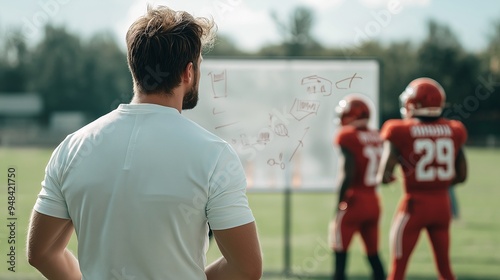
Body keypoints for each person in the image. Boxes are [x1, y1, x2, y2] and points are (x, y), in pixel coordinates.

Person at [26, 5, 262, 280]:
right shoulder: (215, 155)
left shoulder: (72, 147)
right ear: (188, 72)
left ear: (135, 67)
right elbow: (246, 268)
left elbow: (41, 252)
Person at [377, 77, 468, 280]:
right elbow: (462, 175)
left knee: (398, 270)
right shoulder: (454, 129)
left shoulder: (399, 129)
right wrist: (437, 183)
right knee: (445, 269)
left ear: (412, 104)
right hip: (443, 205)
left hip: (415, 205)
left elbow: (384, 175)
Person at [329, 95, 386, 280]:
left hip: (354, 200)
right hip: (373, 200)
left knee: (340, 251)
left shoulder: (347, 136)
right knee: (373, 253)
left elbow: (348, 173)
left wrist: (339, 203)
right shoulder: (377, 135)